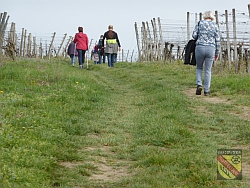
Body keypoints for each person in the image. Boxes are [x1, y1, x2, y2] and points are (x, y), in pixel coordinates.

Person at [192, 11, 220, 96]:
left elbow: (194, 35)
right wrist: (217, 52)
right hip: (211, 48)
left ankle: (199, 84)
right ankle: (207, 90)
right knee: (208, 70)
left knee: (199, 67)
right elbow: (217, 40)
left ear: (204, 16)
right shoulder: (215, 25)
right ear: (212, 17)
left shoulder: (200, 23)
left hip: (200, 47)